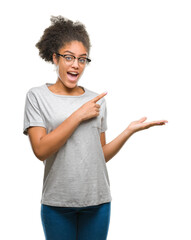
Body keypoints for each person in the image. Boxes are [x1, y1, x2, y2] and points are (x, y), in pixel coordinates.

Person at [23, 15, 168, 240]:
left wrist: (129, 131)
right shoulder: (37, 96)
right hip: (57, 203)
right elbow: (40, 150)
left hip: (98, 202)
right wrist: (78, 115)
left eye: (82, 59)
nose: (76, 65)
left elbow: (99, 155)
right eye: (69, 57)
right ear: (55, 58)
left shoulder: (97, 100)